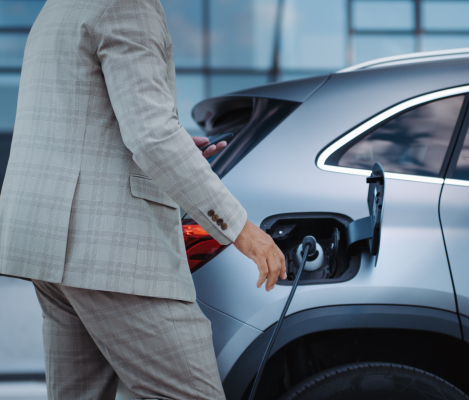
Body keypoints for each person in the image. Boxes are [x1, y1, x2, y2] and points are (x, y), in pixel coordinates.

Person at [0, 0, 286, 398]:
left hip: (50, 240)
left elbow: (81, 117)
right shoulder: (127, 4)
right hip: (106, 247)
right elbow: (152, 135)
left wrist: (176, 151)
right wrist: (243, 231)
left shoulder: (59, 6)